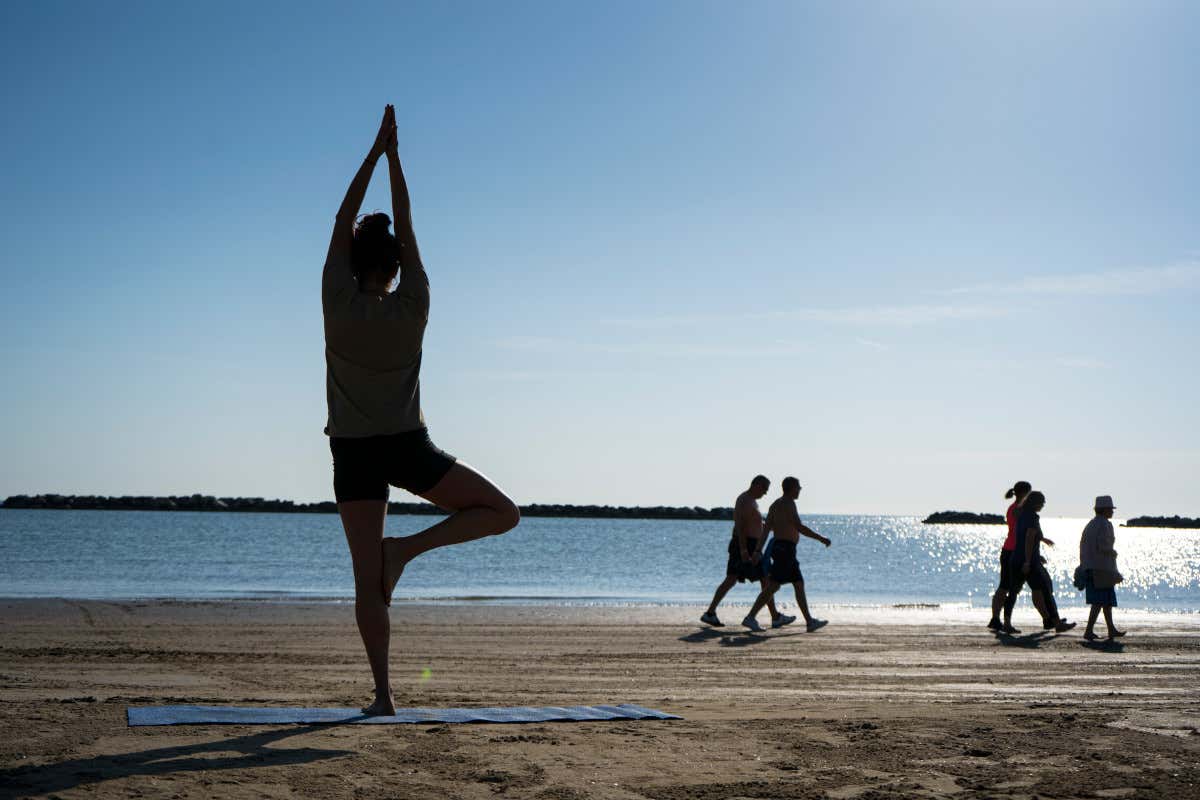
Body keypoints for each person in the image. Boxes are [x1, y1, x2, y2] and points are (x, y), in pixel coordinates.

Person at [324, 106, 520, 716]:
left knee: (365, 580)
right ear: (399, 266)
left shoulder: (335, 297)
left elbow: (342, 216)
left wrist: (373, 154)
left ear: (355, 263)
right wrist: (396, 157)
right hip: (408, 445)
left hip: (355, 449)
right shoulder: (416, 302)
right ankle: (405, 550)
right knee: (502, 513)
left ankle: (383, 695)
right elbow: (405, 222)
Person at [701, 476, 795, 629]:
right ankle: (769, 617)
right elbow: (740, 526)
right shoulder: (744, 500)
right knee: (757, 579)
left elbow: (754, 522)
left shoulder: (752, 501)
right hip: (745, 545)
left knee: (756, 579)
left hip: (751, 545)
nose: (765, 493)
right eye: (764, 489)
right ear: (756, 485)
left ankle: (711, 613)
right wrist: (744, 549)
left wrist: (770, 525)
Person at [743, 477, 829, 633]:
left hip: (781, 549)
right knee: (776, 585)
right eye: (798, 488)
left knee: (795, 584)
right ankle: (751, 617)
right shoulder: (789, 504)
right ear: (791, 488)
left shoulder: (775, 505)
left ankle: (809, 621)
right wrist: (820, 538)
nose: (800, 490)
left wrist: (758, 551)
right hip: (785, 550)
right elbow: (799, 527)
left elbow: (766, 531)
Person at [1011, 491, 1075, 634]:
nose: (1043, 505)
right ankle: (1056, 623)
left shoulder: (1021, 514)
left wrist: (1041, 541)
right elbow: (1028, 538)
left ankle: (1048, 620)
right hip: (1028, 561)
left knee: (1035, 590)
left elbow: (1026, 537)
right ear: (1036, 503)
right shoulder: (1032, 517)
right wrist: (1028, 561)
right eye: (1042, 502)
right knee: (1045, 590)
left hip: (1019, 557)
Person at [1079, 495, 1125, 641]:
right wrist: (1112, 552)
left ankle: (1110, 629)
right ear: (1105, 510)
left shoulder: (1090, 524)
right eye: (1111, 509)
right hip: (1102, 568)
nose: (1112, 511)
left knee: (1103, 602)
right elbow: (1104, 546)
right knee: (1101, 601)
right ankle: (1090, 631)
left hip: (1091, 567)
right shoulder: (1105, 524)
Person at [987, 481, 1030, 634]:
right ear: (1024, 493)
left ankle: (995, 619)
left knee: (1004, 586)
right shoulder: (1018, 509)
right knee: (1010, 588)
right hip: (1013, 551)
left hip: (1008, 549)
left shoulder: (1013, 508)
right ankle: (1003, 621)